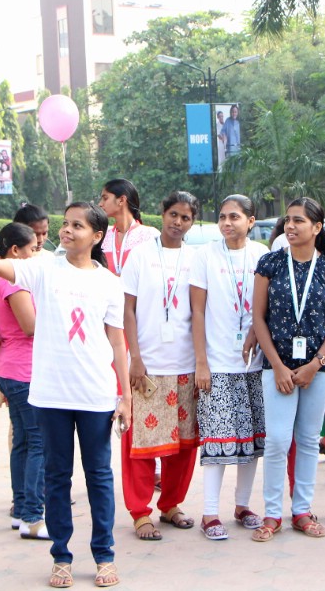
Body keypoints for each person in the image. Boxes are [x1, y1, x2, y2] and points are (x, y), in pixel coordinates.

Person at [0, 192, 129, 589]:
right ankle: (61, 557)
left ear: (97, 235)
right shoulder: (43, 268)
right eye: (65, 223)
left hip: (96, 395)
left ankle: (104, 555)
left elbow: (117, 343)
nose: (66, 230)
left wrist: (125, 397)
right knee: (56, 475)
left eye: (77, 225)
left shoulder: (109, 283)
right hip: (50, 395)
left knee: (99, 475)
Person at [252, 198, 325, 542]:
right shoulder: (270, 263)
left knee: (307, 440)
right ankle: (272, 514)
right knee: (277, 440)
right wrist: (277, 365)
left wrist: (315, 364)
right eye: (288, 220)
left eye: (299, 221)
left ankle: (302, 511)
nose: (290, 226)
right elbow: (258, 319)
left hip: (319, 368)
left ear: (317, 228)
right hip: (276, 366)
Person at [121, 191, 200, 540]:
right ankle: (140, 512)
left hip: (185, 364)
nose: (177, 222)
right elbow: (127, 310)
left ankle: (170, 505)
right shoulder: (139, 255)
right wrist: (134, 358)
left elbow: (200, 312)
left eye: (185, 217)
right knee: (141, 446)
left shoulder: (196, 258)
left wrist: (201, 362)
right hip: (148, 365)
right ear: (162, 213)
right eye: (173, 214)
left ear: (192, 222)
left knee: (183, 446)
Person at [190, 194, 267, 541]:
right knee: (218, 440)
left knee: (252, 439)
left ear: (251, 221)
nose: (226, 223)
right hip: (217, 363)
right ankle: (209, 513)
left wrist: (254, 330)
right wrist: (201, 363)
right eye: (222, 216)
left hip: (254, 363)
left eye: (234, 217)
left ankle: (242, 505)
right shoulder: (205, 255)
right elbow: (197, 312)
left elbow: (264, 309)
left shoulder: (262, 255)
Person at [0, 222, 50, 539]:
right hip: (24, 372)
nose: (36, 254)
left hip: (10, 370)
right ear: (15, 251)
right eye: (33, 248)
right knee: (38, 444)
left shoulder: (2, 279)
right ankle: (33, 516)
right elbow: (31, 326)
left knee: (23, 442)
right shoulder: (13, 282)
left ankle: (21, 511)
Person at [99, 179, 159, 277]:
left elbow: (155, 273)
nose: (100, 204)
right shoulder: (103, 237)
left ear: (121, 200)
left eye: (105, 198)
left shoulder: (150, 235)